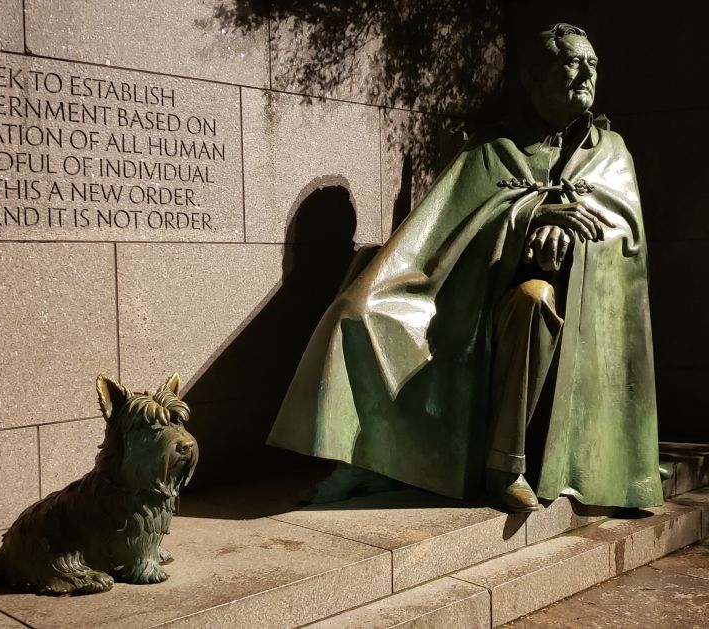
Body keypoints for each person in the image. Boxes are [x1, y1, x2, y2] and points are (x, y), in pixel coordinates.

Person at [267, 23, 663, 512]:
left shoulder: (610, 152)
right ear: (533, 79)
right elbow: (442, 233)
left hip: (563, 301)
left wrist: (568, 236)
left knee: (534, 301)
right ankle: (360, 458)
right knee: (358, 309)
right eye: (571, 63)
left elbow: (626, 236)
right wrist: (527, 217)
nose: (585, 73)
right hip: (465, 297)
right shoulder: (492, 147)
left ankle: (505, 466)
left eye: (592, 63)